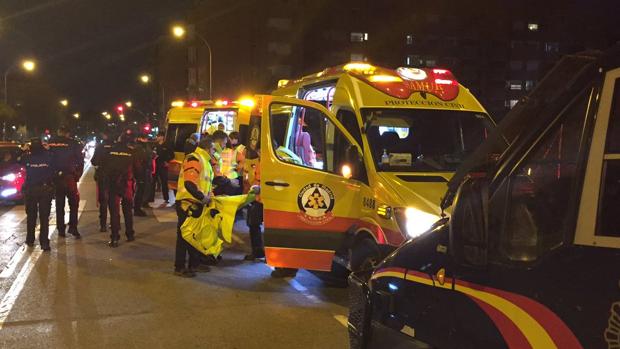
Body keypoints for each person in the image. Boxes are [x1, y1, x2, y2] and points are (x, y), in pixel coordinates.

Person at [174, 134, 214, 277]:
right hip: (188, 203)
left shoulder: (204, 161)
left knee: (194, 236)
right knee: (184, 236)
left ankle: (193, 264)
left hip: (195, 203)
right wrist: (203, 198)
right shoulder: (195, 158)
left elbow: (204, 183)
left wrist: (209, 198)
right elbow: (189, 183)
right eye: (213, 149)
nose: (214, 152)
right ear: (209, 148)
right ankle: (180, 267)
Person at [105, 130, 140, 247]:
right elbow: (138, 169)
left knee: (114, 212)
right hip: (127, 185)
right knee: (128, 210)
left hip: (113, 184)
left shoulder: (109, 151)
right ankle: (130, 234)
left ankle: (114, 238)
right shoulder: (132, 152)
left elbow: (102, 165)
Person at [48, 126, 84, 239]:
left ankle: (61, 230)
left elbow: (47, 160)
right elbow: (80, 160)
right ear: (67, 133)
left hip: (56, 178)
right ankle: (73, 228)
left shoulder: (51, 143)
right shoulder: (73, 143)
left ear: (59, 132)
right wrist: (77, 175)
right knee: (74, 203)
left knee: (59, 204)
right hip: (70, 178)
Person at [21, 138, 55, 251]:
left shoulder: (27, 157)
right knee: (44, 218)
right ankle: (44, 243)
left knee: (31, 216)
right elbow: (55, 164)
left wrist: (23, 150)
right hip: (45, 189)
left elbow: (17, 161)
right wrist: (48, 149)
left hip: (31, 190)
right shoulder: (48, 157)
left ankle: (30, 240)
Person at [91, 130, 113, 232]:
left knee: (103, 201)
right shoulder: (116, 146)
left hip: (103, 175)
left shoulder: (100, 147)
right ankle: (114, 223)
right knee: (114, 201)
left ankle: (103, 224)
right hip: (114, 176)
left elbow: (94, 161)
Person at [132, 132, 151, 216]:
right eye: (145, 138)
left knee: (140, 190)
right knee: (139, 190)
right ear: (140, 138)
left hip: (142, 171)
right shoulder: (139, 148)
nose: (146, 140)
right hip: (140, 172)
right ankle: (137, 208)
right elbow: (145, 157)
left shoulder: (142, 147)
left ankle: (137, 207)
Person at [153, 131, 174, 205]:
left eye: (158, 136)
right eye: (157, 136)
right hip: (155, 165)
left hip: (163, 165)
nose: (157, 138)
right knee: (153, 182)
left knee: (164, 182)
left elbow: (172, 155)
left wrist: (167, 161)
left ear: (162, 137)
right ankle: (150, 198)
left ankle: (166, 198)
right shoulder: (154, 145)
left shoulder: (167, 145)